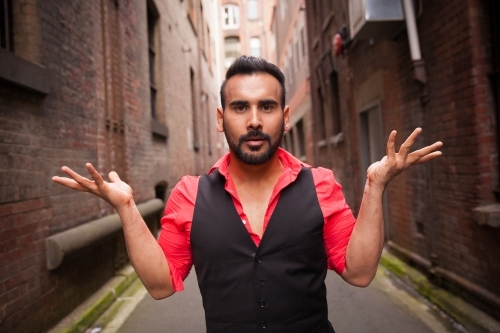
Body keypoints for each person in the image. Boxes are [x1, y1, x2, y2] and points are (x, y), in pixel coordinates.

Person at [52, 56, 443, 333]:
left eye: (266, 106)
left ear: (285, 117)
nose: (254, 120)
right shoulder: (190, 195)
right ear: (222, 118)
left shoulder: (320, 184)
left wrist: (375, 187)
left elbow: (359, 273)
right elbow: (160, 285)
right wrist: (125, 207)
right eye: (240, 107)